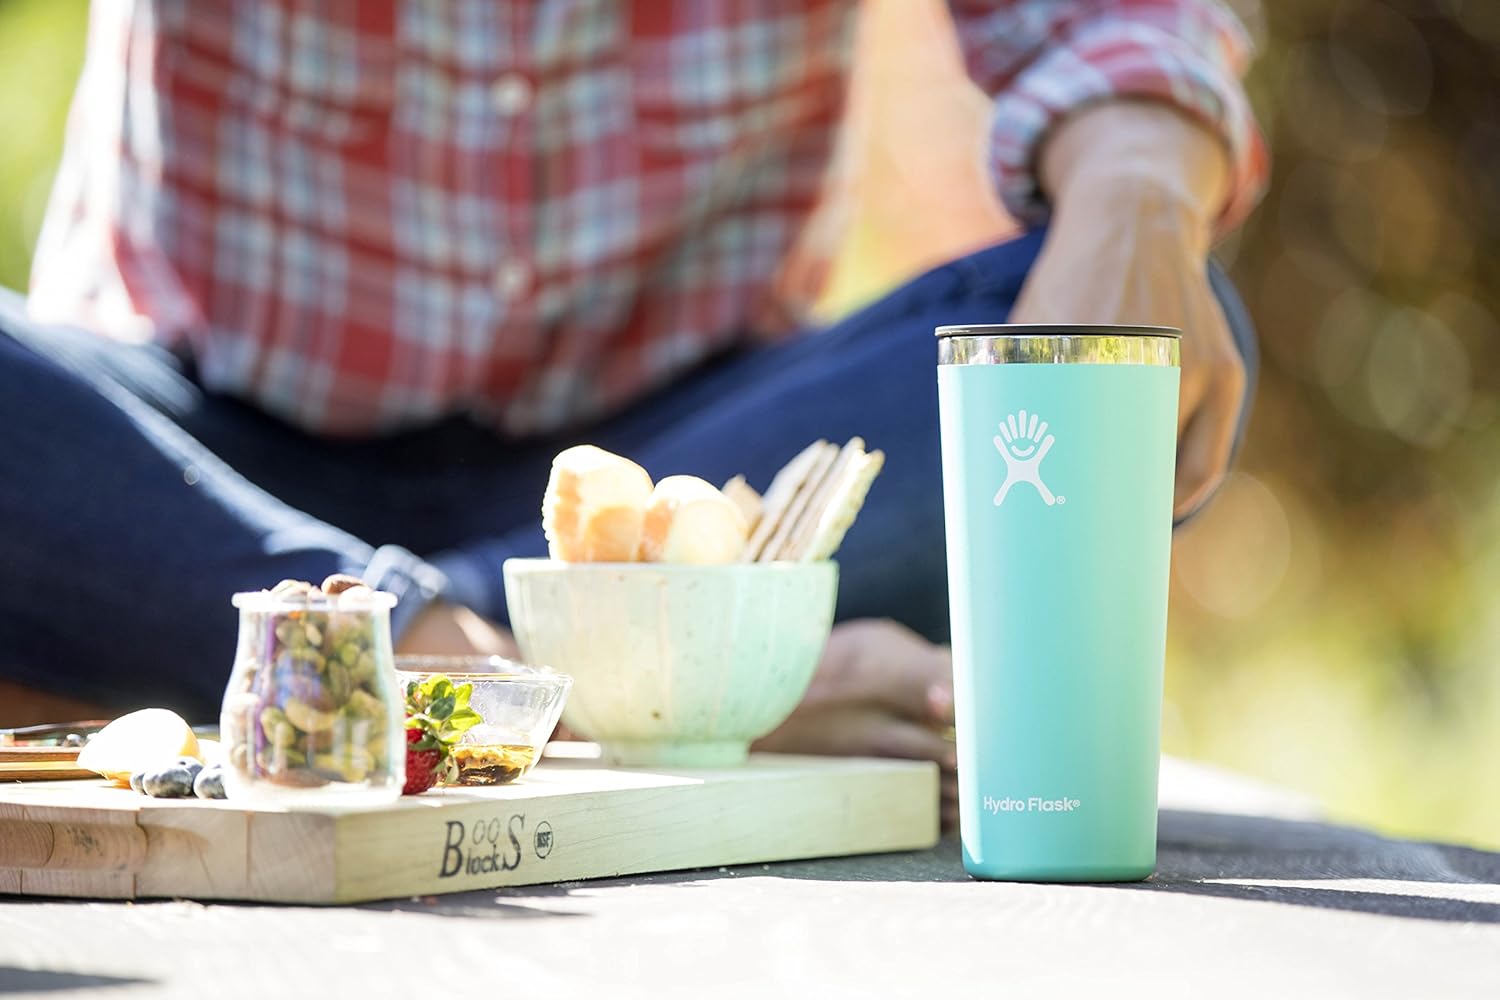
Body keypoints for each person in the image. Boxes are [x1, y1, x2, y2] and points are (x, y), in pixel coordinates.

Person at [0, 1, 1264, 824]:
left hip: (676, 501)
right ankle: (625, 679)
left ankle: (407, 661)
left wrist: (1138, 190)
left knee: (1123, 334)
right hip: (188, 462)